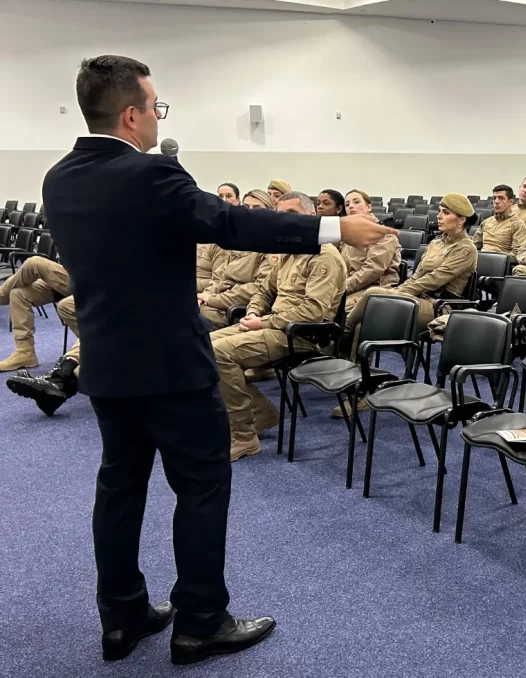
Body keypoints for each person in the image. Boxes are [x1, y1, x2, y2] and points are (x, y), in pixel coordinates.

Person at [42, 55, 395, 666]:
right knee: (202, 489)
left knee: (119, 489)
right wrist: (334, 228)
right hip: (173, 369)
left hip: (108, 364)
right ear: (132, 114)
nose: (159, 118)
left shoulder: (59, 178)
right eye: (158, 107)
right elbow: (229, 221)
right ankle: (200, 621)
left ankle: (121, 615)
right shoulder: (152, 176)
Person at [210, 191, 346, 459]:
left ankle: (245, 436)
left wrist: (263, 321)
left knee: (218, 354)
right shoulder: (289, 251)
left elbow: (314, 311)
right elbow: (263, 289)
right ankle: (259, 411)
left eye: (292, 215)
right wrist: (252, 312)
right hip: (273, 327)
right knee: (200, 347)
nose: (285, 220)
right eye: (280, 214)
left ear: (312, 216)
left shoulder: (324, 255)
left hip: (303, 335)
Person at [343, 193, 478, 352]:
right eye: (440, 211)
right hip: (418, 298)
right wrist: (400, 291)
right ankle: (352, 363)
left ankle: (339, 335)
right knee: (363, 321)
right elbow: (417, 275)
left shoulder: (466, 248)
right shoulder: (435, 243)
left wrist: (399, 291)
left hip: (439, 306)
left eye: (446, 213)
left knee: (373, 294)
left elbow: (434, 280)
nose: (439, 216)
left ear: (461, 220)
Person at [197, 190, 277, 331]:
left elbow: (258, 287)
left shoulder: (272, 246)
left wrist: (214, 299)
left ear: (270, 212)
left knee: (195, 319)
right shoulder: (238, 242)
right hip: (220, 301)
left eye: (257, 208)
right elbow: (219, 277)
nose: (250, 213)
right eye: (246, 208)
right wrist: (207, 293)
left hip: (239, 308)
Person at [0, 257, 71, 371]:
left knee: (34, 263)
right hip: (70, 274)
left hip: (94, 281)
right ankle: (25, 352)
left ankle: (2, 294)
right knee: (18, 294)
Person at [339, 189, 401, 312]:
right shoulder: (347, 236)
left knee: (334, 310)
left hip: (375, 289)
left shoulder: (383, 234)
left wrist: (341, 288)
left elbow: (372, 270)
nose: (351, 206)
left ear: (369, 207)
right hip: (351, 287)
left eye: (356, 202)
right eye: (347, 204)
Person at [471, 184, 526, 260]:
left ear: (510, 202)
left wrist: (495, 259)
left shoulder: (518, 225)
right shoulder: (486, 222)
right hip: (480, 262)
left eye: (501, 198)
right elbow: (473, 245)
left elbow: (518, 254)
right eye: (494, 198)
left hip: (499, 266)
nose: (496, 202)